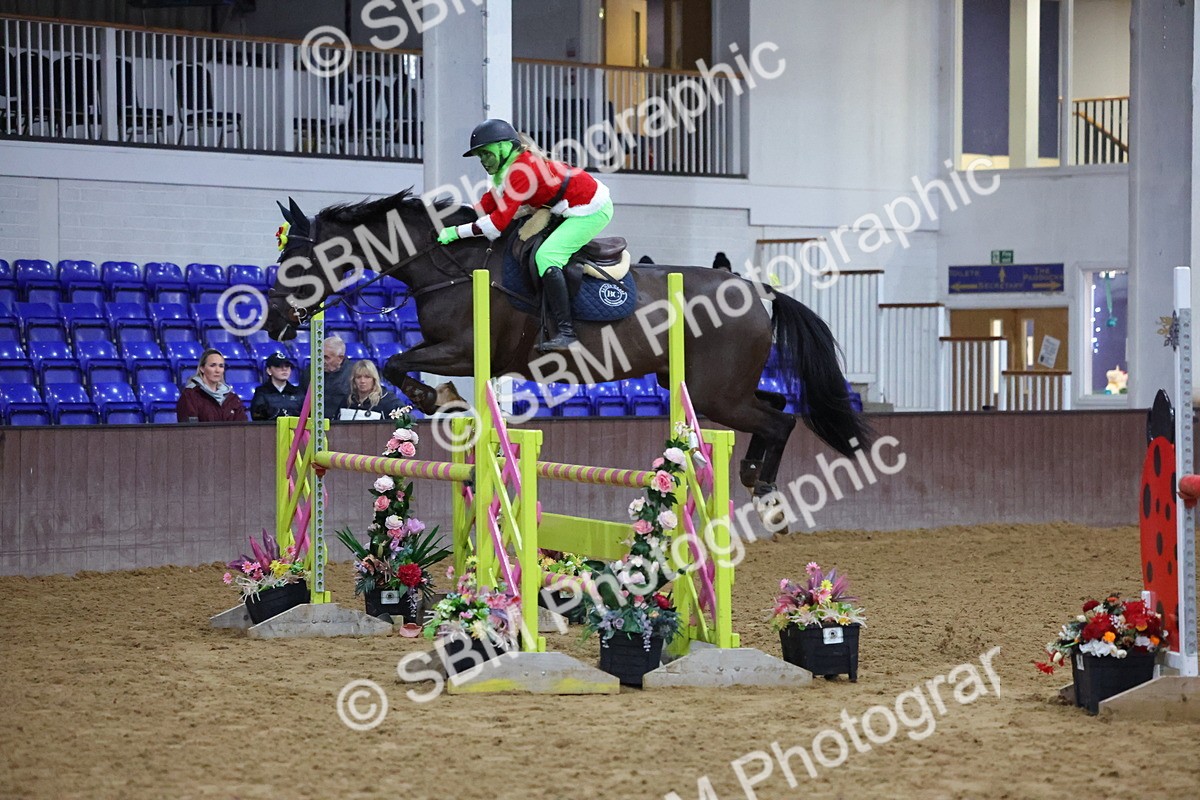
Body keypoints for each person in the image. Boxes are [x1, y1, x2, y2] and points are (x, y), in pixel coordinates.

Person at [436, 118, 614, 353]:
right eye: (480, 157)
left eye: (486, 154)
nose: (483, 161)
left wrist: (456, 232)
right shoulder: (508, 168)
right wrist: (452, 217)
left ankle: (567, 332)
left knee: (547, 257)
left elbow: (495, 226)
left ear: (503, 147)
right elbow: (487, 204)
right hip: (561, 204)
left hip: (590, 210)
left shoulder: (521, 170)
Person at [176, 348, 247, 422]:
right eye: (212, 365)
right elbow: (189, 430)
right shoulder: (190, 396)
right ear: (202, 368)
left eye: (221, 366)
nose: (217, 370)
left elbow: (243, 429)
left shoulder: (233, 399)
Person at [299, 336, 353, 420]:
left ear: (340, 358)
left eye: (326, 357)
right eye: (319, 357)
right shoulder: (310, 371)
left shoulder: (353, 374)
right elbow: (301, 398)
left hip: (340, 424)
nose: (321, 361)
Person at [249, 352, 304, 421]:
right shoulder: (262, 392)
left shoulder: (298, 392)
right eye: (278, 366)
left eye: (287, 366)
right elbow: (256, 415)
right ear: (269, 370)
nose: (284, 369)